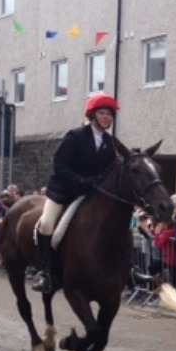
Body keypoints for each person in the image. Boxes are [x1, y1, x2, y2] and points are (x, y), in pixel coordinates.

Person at [32, 93, 120, 293]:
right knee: (46, 224)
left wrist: (101, 182)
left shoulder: (110, 143)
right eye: (103, 113)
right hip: (64, 191)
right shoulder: (75, 136)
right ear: (93, 115)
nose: (107, 117)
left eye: (109, 114)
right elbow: (59, 165)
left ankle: (127, 269)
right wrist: (81, 180)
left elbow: (109, 168)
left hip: (90, 193)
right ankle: (45, 272)